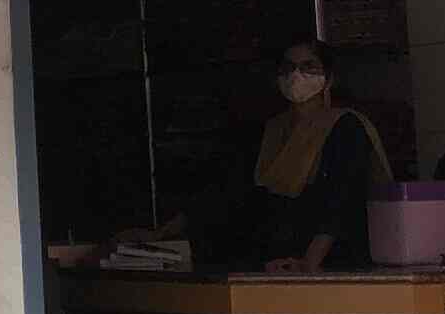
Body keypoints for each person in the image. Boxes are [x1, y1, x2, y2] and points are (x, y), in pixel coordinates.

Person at [138, 37, 394, 272]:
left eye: (308, 66)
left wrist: (310, 262)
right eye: (288, 67)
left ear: (330, 78)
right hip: (277, 260)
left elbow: (342, 198)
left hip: (333, 262)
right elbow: (230, 192)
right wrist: (164, 231)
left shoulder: (345, 125)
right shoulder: (272, 129)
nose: (296, 75)